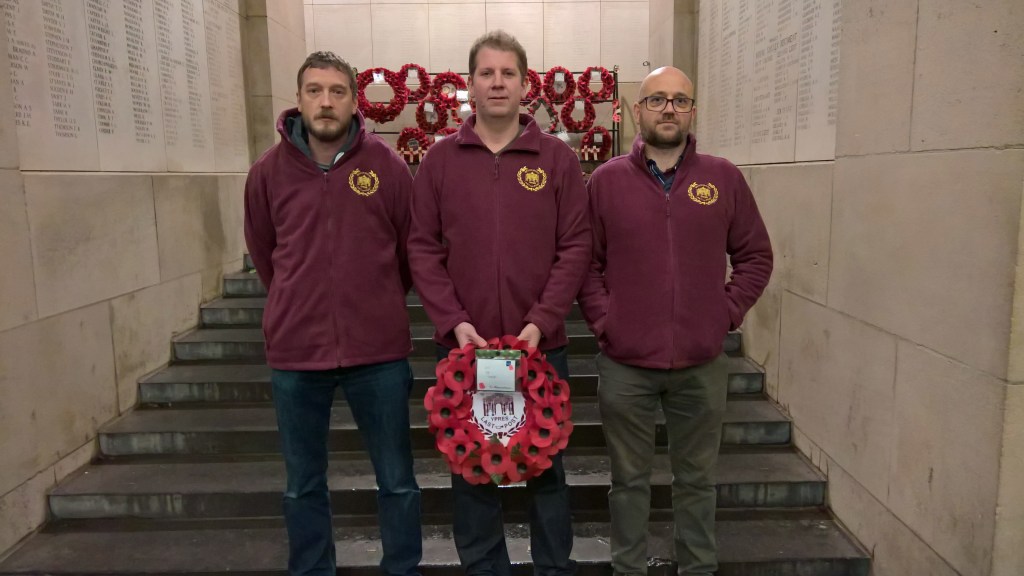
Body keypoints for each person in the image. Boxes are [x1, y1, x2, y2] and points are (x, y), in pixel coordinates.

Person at [576, 67, 773, 576]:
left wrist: (723, 315)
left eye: (680, 101)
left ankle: (699, 568)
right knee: (628, 482)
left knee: (697, 481)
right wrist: (606, 320)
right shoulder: (605, 181)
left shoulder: (723, 178)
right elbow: (585, 264)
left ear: (692, 112)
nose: (669, 109)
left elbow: (755, 257)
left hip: (700, 364)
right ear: (637, 111)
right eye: (658, 100)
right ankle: (628, 568)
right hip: (626, 366)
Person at [407, 30, 590, 576]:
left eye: (508, 73)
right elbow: (422, 248)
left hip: (538, 352)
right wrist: (455, 322)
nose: (497, 82)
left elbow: (576, 245)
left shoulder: (556, 159)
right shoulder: (440, 162)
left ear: (525, 83)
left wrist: (540, 322)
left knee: (546, 473)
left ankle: (553, 567)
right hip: (470, 353)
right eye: (486, 73)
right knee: (471, 470)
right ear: (469, 85)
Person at [244, 51, 421, 576]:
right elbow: (265, 251)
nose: (326, 101)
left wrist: (373, 301)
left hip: (379, 353)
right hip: (297, 354)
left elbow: (409, 253)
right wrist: (299, 304)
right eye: (315, 90)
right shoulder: (267, 174)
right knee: (303, 485)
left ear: (353, 99)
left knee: (398, 480)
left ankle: (402, 569)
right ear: (298, 100)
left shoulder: (387, 168)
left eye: (337, 91)